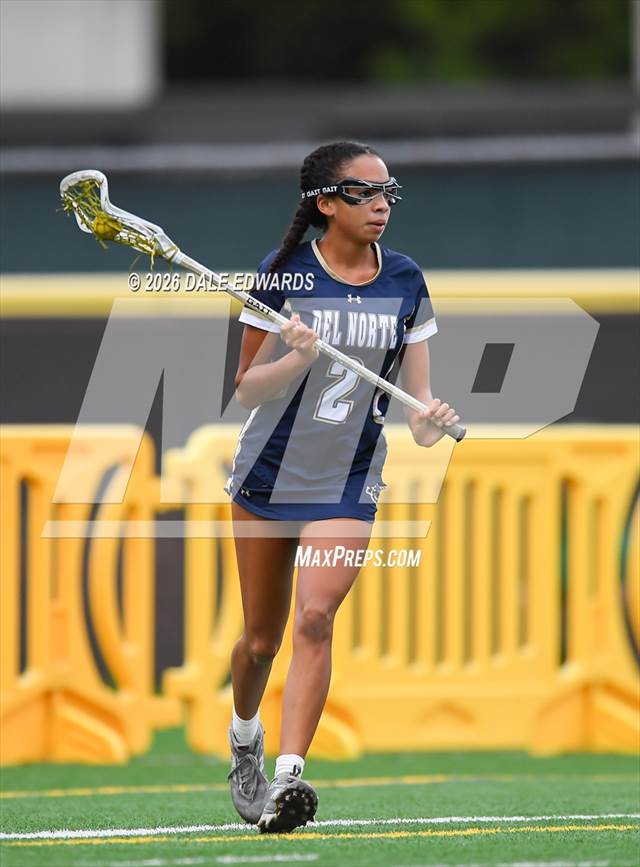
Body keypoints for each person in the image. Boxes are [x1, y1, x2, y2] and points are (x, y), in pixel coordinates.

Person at [224, 141, 460, 833]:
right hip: (269, 474)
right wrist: (294, 360)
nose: (381, 204)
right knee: (261, 640)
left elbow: (415, 408)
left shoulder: (406, 279)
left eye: (388, 192)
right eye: (364, 193)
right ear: (326, 202)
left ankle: (287, 778)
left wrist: (430, 420)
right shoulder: (282, 274)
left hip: (347, 480)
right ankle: (245, 738)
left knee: (316, 617)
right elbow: (246, 389)